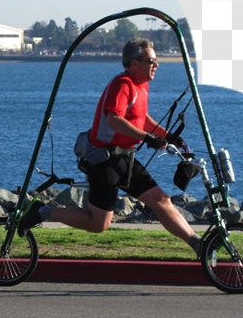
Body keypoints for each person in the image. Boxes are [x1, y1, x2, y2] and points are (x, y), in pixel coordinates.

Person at [19, 38, 202, 255]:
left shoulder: (141, 86)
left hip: (125, 159)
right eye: (152, 60)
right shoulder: (123, 84)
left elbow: (141, 119)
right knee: (99, 224)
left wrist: (168, 136)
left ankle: (199, 245)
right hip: (104, 161)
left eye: (156, 60)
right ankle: (42, 211)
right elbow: (115, 119)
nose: (157, 65)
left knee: (161, 200)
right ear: (134, 63)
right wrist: (147, 138)